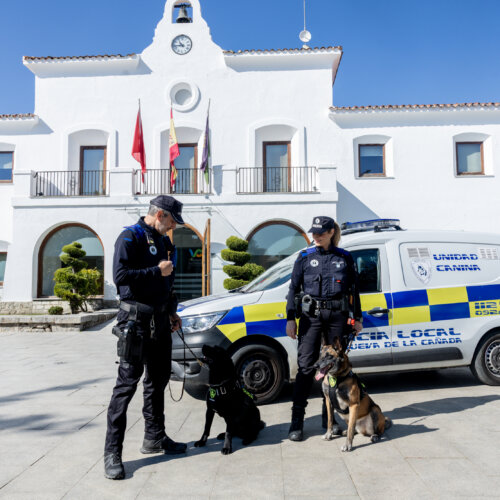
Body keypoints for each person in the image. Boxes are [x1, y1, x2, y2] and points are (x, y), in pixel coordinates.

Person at [104, 195, 187, 480]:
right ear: (160, 214)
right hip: (135, 323)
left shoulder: (164, 242)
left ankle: (154, 437)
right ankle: (112, 453)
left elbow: (167, 282)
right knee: (126, 386)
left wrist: (172, 311)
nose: (173, 226)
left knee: (157, 381)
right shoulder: (130, 237)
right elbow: (120, 276)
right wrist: (155, 270)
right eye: (173, 220)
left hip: (160, 321)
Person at [285, 216, 363, 441]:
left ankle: (327, 419)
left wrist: (357, 318)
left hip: (337, 317)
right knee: (306, 367)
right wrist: (291, 319)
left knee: (333, 367)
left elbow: (354, 290)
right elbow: (293, 289)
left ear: (331, 233)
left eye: (321, 233)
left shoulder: (344, 257)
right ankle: (297, 422)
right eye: (314, 233)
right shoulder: (304, 257)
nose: (316, 236)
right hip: (311, 318)